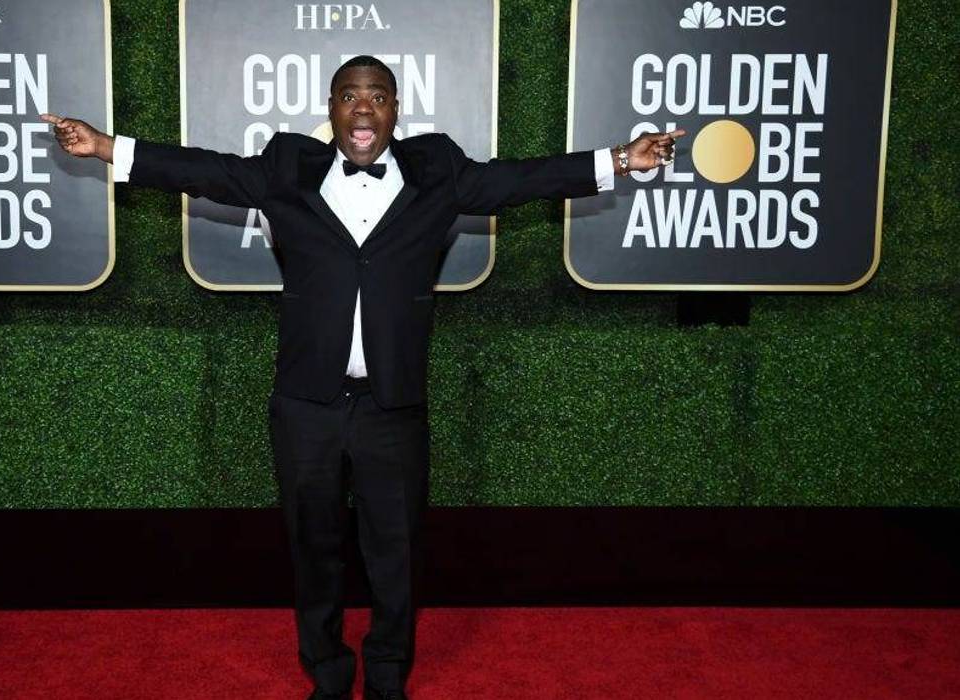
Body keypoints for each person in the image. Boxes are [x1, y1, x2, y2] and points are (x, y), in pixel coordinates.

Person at [43, 55, 682, 700]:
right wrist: (102, 147)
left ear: (395, 108)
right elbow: (209, 171)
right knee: (312, 545)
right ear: (332, 108)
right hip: (306, 404)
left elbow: (519, 180)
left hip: (392, 404)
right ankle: (325, 672)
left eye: (376, 96)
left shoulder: (438, 171)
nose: (363, 108)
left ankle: (385, 677)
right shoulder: (287, 167)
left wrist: (621, 160)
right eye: (350, 96)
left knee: (395, 552)